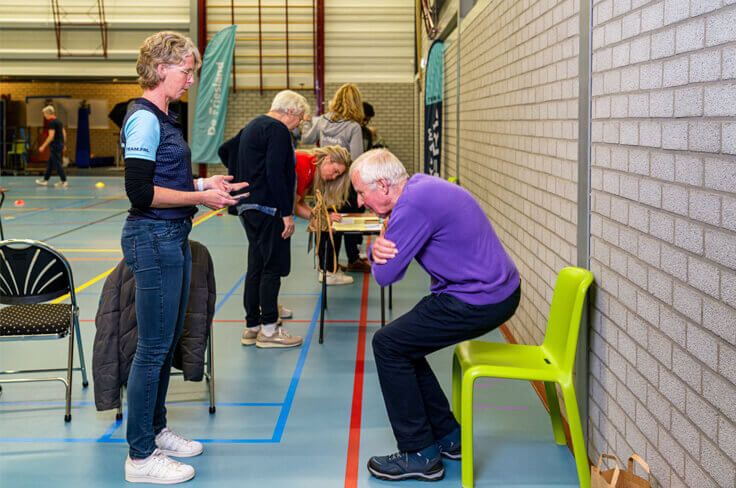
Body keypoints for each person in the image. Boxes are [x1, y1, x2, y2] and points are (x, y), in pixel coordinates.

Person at [120, 31, 248, 485]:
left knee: (165, 341)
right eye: (186, 70)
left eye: (193, 70)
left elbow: (166, 178)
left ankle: (154, 430)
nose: (191, 78)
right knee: (152, 348)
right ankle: (139, 457)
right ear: (160, 69)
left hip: (172, 235)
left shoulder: (167, 117)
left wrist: (204, 187)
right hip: (152, 239)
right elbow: (140, 192)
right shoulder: (144, 120)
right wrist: (201, 198)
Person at [351, 149, 521, 482]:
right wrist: (379, 244)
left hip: (479, 297)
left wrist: (375, 247)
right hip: (489, 290)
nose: (359, 202)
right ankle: (447, 436)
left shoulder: (413, 205)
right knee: (402, 344)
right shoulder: (419, 188)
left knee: (388, 345)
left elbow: (386, 276)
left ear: (383, 185)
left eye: (361, 192)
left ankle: (419, 453)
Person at [235, 90, 309, 349]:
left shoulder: (251, 127)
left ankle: (252, 327)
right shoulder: (277, 130)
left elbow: (227, 152)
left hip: (248, 207)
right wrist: (287, 213)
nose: (298, 124)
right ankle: (268, 329)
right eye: (299, 118)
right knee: (272, 268)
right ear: (289, 112)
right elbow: (276, 172)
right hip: (269, 208)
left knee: (256, 266)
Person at [302, 83, 370, 278]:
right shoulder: (353, 127)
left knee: (328, 220)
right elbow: (356, 158)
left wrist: (307, 122)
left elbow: (306, 138)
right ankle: (352, 258)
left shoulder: (323, 120)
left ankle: (327, 265)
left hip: (325, 179)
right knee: (348, 220)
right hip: (345, 182)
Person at [291, 146, 353, 285]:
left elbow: (299, 202)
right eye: (335, 171)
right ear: (327, 159)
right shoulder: (304, 165)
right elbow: (294, 207)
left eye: (338, 175)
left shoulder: (312, 169)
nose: (335, 176)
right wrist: (322, 217)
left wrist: (321, 215)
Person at [35, 105, 68, 187]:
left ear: (48, 113)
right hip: (60, 144)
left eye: (44, 114)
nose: (44, 115)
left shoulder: (52, 122)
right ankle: (45, 180)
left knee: (57, 163)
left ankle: (63, 181)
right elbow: (64, 133)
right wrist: (63, 144)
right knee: (50, 162)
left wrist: (43, 146)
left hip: (55, 145)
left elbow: (51, 136)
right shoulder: (59, 121)